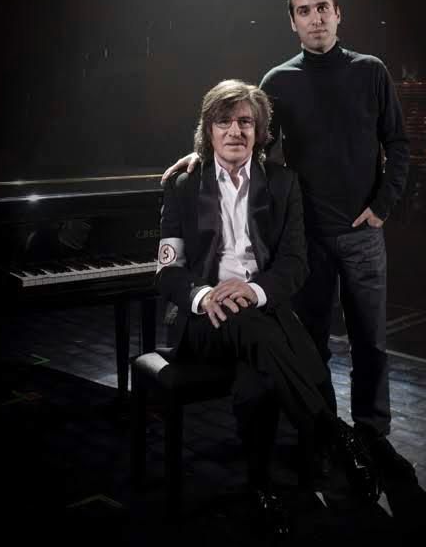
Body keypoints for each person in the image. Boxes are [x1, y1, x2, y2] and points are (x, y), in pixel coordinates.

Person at [162, 0, 414, 484]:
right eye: (304, 11)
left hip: (362, 232)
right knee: (309, 340)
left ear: (338, 14)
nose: (315, 18)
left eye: (323, 8)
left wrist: (382, 207)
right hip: (307, 239)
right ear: (293, 22)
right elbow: (248, 136)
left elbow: (399, 144)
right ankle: (321, 437)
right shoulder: (277, 80)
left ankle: (370, 433)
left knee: (370, 342)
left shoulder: (371, 71)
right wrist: (201, 153)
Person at [156, 79, 380, 537]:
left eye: (245, 122)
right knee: (265, 331)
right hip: (202, 320)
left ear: (259, 131)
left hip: (259, 309)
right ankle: (334, 434)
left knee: (255, 378)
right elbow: (168, 271)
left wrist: (253, 291)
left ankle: (261, 487)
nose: (235, 131)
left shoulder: (283, 183)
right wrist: (204, 295)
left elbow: (295, 264)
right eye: (224, 121)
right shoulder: (183, 186)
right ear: (208, 130)